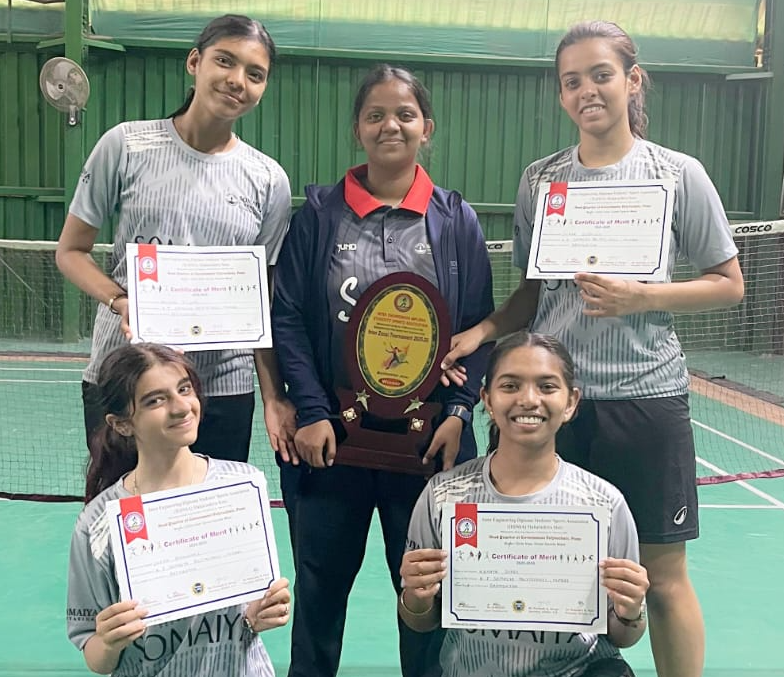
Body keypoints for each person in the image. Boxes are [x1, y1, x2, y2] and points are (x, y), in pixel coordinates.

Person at [439, 21, 745, 677]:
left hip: (645, 400)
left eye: (601, 75)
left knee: (659, 578)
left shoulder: (677, 175)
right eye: (571, 81)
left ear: (632, 80)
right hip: (550, 407)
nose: (587, 91)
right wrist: (483, 332)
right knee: (540, 560)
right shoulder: (540, 181)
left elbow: (729, 283)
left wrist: (646, 297)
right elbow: (532, 295)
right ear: (561, 95)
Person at [270, 64, 495, 677]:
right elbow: (286, 315)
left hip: (428, 448)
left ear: (427, 128)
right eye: (375, 114)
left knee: (427, 598)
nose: (390, 125)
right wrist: (312, 411)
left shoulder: (456, 219)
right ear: (357, 129)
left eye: (404, 114)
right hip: (328, 446)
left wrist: (458, 411)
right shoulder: (317, 215)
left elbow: (478, 325)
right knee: (318, 597)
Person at [55, 14, 296, 468]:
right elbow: (70, 252)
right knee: (125, 518)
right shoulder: (125, 146)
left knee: (203, 525)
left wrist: (273, 398)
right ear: (194, 62)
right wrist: (120, 302)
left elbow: (259, 301)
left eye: (255, 74)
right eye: (225, 61)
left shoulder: (268, 180)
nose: (237, 80)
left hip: (222, 387)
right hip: (125, 376)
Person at [400, 331, 649, 677]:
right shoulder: (444, 496)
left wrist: (630, 609)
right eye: (510, 386)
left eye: (547, 387)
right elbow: (420, 621)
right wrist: (417, 595)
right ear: (486, 399)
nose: (529, 400)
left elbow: (626, 635)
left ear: (571, 401)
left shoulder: (604, 504)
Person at [65, 343, 291, 676]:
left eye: (184, 389)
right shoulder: (98, 522)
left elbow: (246, 613)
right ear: (122, 423)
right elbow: (96, 656)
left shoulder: (242, 486)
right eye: (155, 400)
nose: (181, 407)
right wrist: (109, 641)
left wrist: (255, 617)